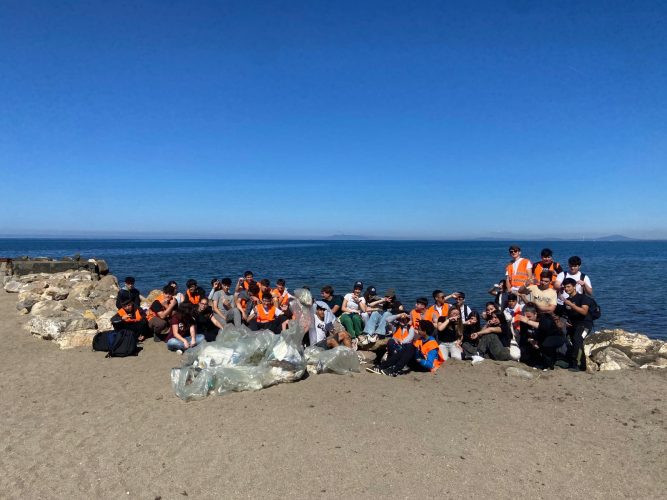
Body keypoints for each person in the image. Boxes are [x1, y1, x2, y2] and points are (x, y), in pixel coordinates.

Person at [517, 303, 567, 369]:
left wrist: (528, 321)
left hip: (555, 337)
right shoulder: (524, 321)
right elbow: (523, 334)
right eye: (525, 316)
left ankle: (549, 362)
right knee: (524, 356)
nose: (526, 318)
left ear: (535, 314)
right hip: (535, 340)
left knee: (545, 344)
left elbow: (544, 327)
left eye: (529, 317)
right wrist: (530, 340)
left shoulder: (545, 318)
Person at [561, 277, 595, 371]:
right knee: (575, 342)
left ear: (574, 286)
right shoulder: (567, 300)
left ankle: (576, 364)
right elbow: (566, 314)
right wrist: (566, 321)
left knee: (578, 339)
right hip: (574, 325)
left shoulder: (583, 298)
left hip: (586, 325)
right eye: (565, 287)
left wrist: (571, 305)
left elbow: (584, 311)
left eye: (568, 286)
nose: (566, 289)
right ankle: (582, 366)